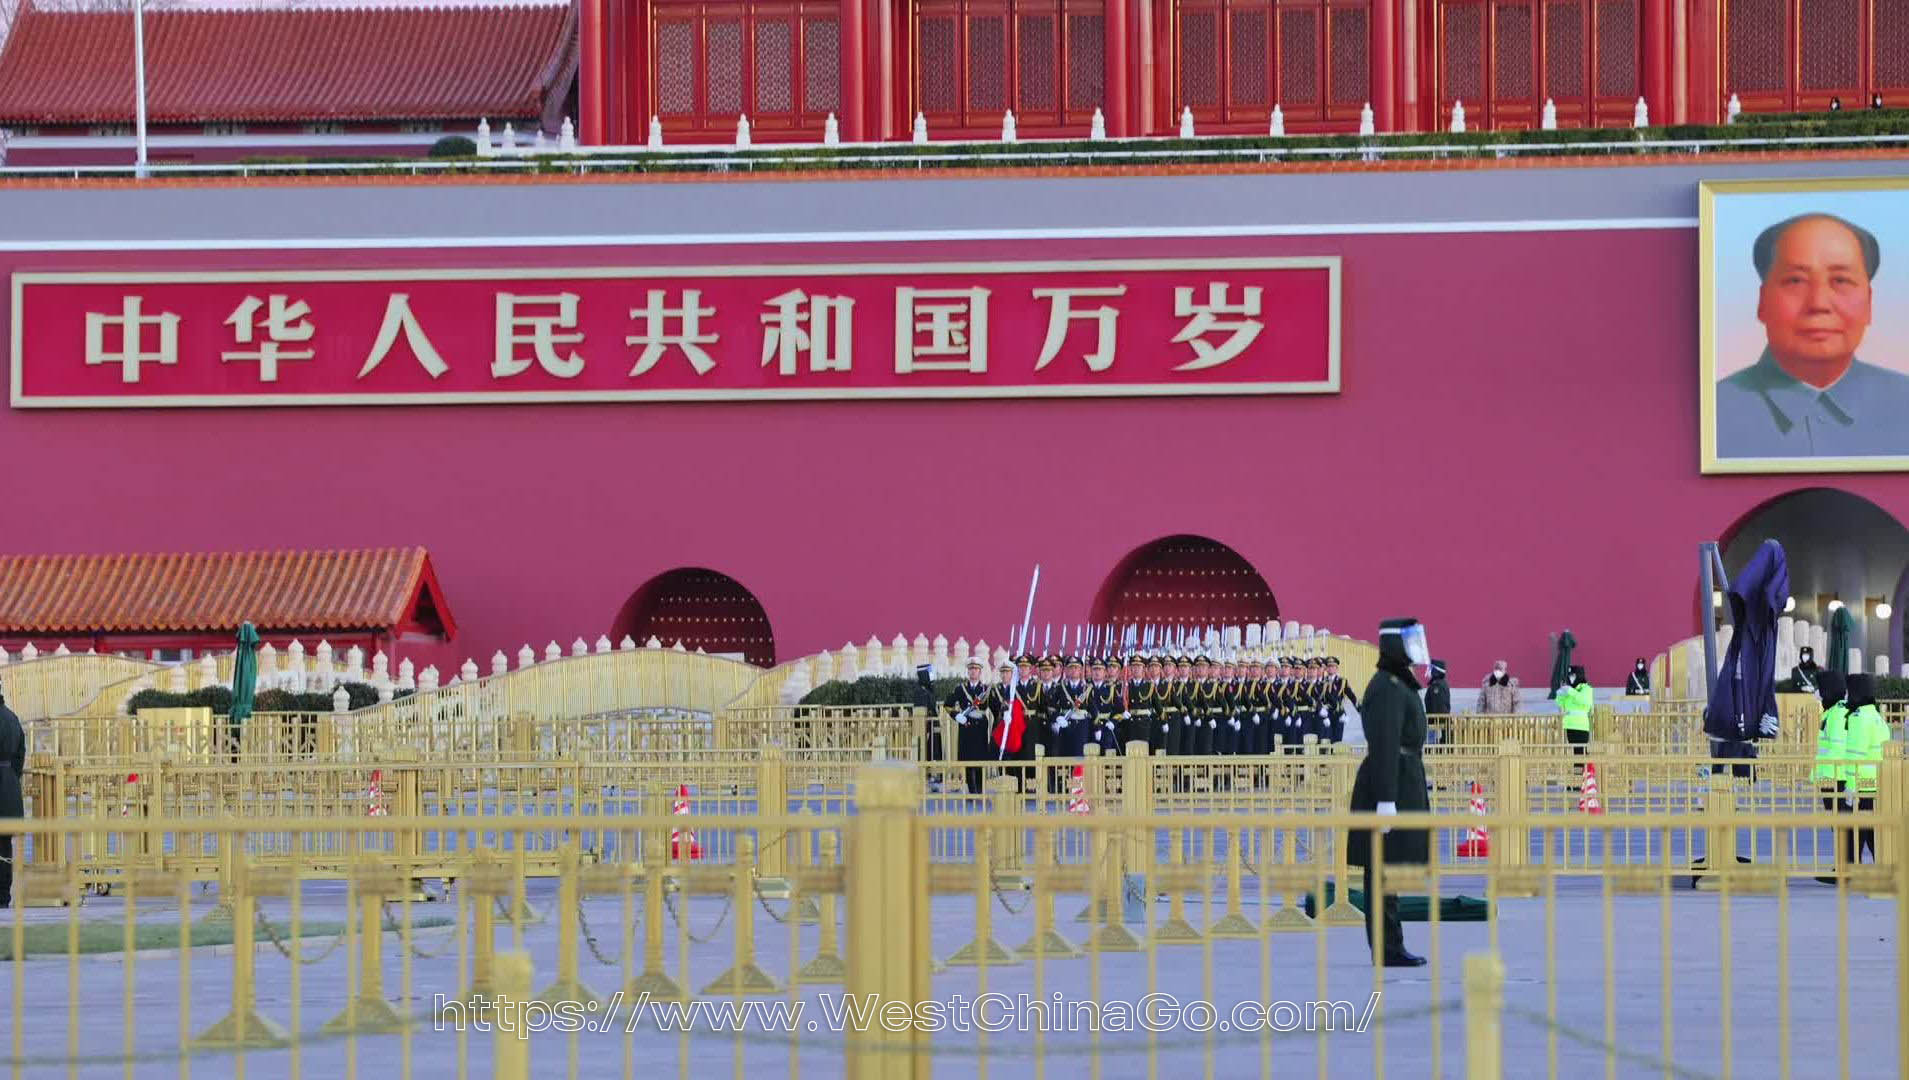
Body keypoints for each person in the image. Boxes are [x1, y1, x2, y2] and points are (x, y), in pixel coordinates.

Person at [1716, 213, 1909, 459]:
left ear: (1870, 303)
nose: (1818, 304)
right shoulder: (1713, 413)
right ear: (1762, 301)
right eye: (1796, 281)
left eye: (1841, 280)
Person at [1349, 618, 1432, 968]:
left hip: (1401, 778)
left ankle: (1392, 944)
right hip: (1389, 782)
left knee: (1389, 871)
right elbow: (1383, 744)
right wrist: (1385, 799)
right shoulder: (1386, 687)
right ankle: (1386, 947)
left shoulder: (1399, 683)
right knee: (1381, 871)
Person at [1842, 674, 1887, 868]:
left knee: (1856, 830)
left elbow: (1855, 756)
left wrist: (1850, 787)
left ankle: (1851, 868)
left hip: (1862, 784)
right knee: (1868, 830)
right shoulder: (1877, 717)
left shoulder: (1859, 719)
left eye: (1849, 692)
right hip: (1877, 783)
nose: (1846, 697)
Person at [1811, 671, 1850, 885]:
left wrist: (1821, 775)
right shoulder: (1835, 712)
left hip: (1836, 778)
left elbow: (1834, 750)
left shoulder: (1835, 715)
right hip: (1834, 777)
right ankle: (1843, 867)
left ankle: (1844, 869)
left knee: (1841, 824)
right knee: (1840, 825)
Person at [943, 658, 993, 795]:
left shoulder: (986, 690)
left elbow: (995, 706)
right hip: (966, 726)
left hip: (980, 728)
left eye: (976, 669)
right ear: (968, 671)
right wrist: (956, 715)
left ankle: (981, 791)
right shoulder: (960, 688)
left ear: (980, 671)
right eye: (971, 669)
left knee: (980, 760)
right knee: (968, 760)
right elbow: (947, 705)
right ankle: (972, 791)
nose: (973, 672)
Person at [0, 679, 23, 910]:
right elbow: (20, 755)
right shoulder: (13, 718)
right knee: (5, 845)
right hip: (8, 785)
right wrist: (10, 778)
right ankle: (3, 895)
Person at [1557, 665, 1594, 753]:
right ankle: (1578, 767)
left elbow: (1584, 700)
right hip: (1570, 725)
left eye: (1573, 676)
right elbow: (1562, 704)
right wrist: (1559, 695)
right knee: (1575, 752)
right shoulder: (1570, 689)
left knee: (1581, 752)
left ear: (1579, 675)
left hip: (1581, 726)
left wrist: (1570, 691)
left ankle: (1582, 767)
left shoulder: (1586, 689)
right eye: (1570, 676)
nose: (1571, 678)